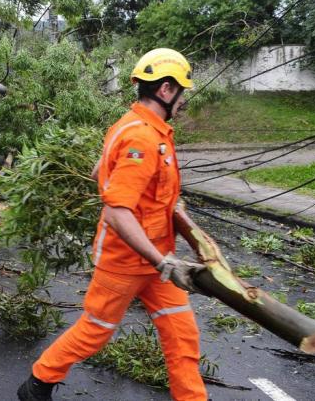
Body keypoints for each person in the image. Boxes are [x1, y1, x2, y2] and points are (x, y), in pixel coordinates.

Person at [17, 48, 207, 401]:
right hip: (127, 261)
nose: (184, 101)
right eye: (182, 92)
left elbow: (98, 172)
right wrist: (162, 260)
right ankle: (37, 383)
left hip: (157, 261)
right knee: (96, 329)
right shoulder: (141, 138)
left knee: (182, 334)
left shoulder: (138, 127)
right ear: (166, 90)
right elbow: (119, 211)